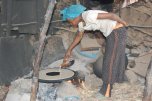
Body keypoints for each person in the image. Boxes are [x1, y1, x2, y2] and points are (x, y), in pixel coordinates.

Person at [60, 4, 128, 97]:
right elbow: (78, 36)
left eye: (70, 20)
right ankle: (111, 83)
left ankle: (106, 92)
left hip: (117, 31)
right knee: (111, 59)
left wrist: (123, 23)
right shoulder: (81, 22)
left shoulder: (88, 15)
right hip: (112, 33)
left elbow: (111, 15)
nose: (70, 23)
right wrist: (69, 50)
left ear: (75, 16)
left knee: (110, 61)